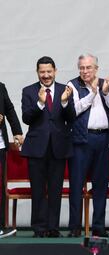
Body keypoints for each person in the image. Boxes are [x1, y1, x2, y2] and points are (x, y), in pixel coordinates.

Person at [21, 56, 76, 237]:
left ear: (55, 71)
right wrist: (40, 103)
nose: (46, 75)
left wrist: (65, 102)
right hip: (36, 148)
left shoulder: (64, 90)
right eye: (42, 72)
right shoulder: (29, 91)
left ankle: (53, 228)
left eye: (49, 71)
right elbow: (27, 118)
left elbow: (71, 117)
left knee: (55, 190)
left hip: (58, 148)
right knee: (38, 190)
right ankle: (39, 228)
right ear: (37, 72)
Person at [67, 53, 109, 237]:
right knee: (76, 183)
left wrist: (105, 91)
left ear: (96, 68)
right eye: (82, 68)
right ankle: (74, 228)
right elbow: (74, 110)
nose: (85, 71)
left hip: (103, 139)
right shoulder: (73, 85)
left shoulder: (105, 83)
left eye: (88, 67)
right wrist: (93, 93)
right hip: (81, 140)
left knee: (100, 184)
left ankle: (99, 227)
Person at [0, 82, 23, 238]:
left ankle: (1, 226)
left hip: (0, 145)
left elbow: (9, 109)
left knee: (0, 187)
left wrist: (17, 132)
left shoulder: (0, 87)